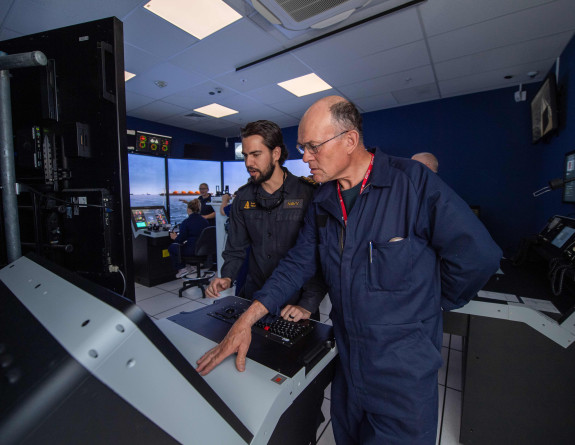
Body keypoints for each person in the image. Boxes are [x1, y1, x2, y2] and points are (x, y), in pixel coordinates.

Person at [197, 97, 502, 444]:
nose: (305, 157)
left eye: (312, 147)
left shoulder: (412, 183)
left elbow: (478, 255)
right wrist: (247, 317)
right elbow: (298, 262)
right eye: (301, 148)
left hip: (402, 366)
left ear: (350, 140)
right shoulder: (325, 199)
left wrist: (429, 304)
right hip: (348, 355)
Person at [206, 120, 326, 322]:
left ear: (276, 154)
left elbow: (320, 255)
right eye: (245, 156)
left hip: (296, 304)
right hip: (255, 296)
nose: (248, 163)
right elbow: (236, 248)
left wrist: (308, 303)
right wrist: (227, 276)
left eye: (255, 154)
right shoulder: (242, 199)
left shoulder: (308, 194)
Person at [168, 199, 209, 278]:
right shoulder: (205, 221)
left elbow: (180, 240)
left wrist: (175, 237)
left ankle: (182, 268)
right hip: (204, 250)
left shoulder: (186, 222)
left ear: (189, 209)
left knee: (172, 247)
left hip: (192, 251)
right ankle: (190, 267)